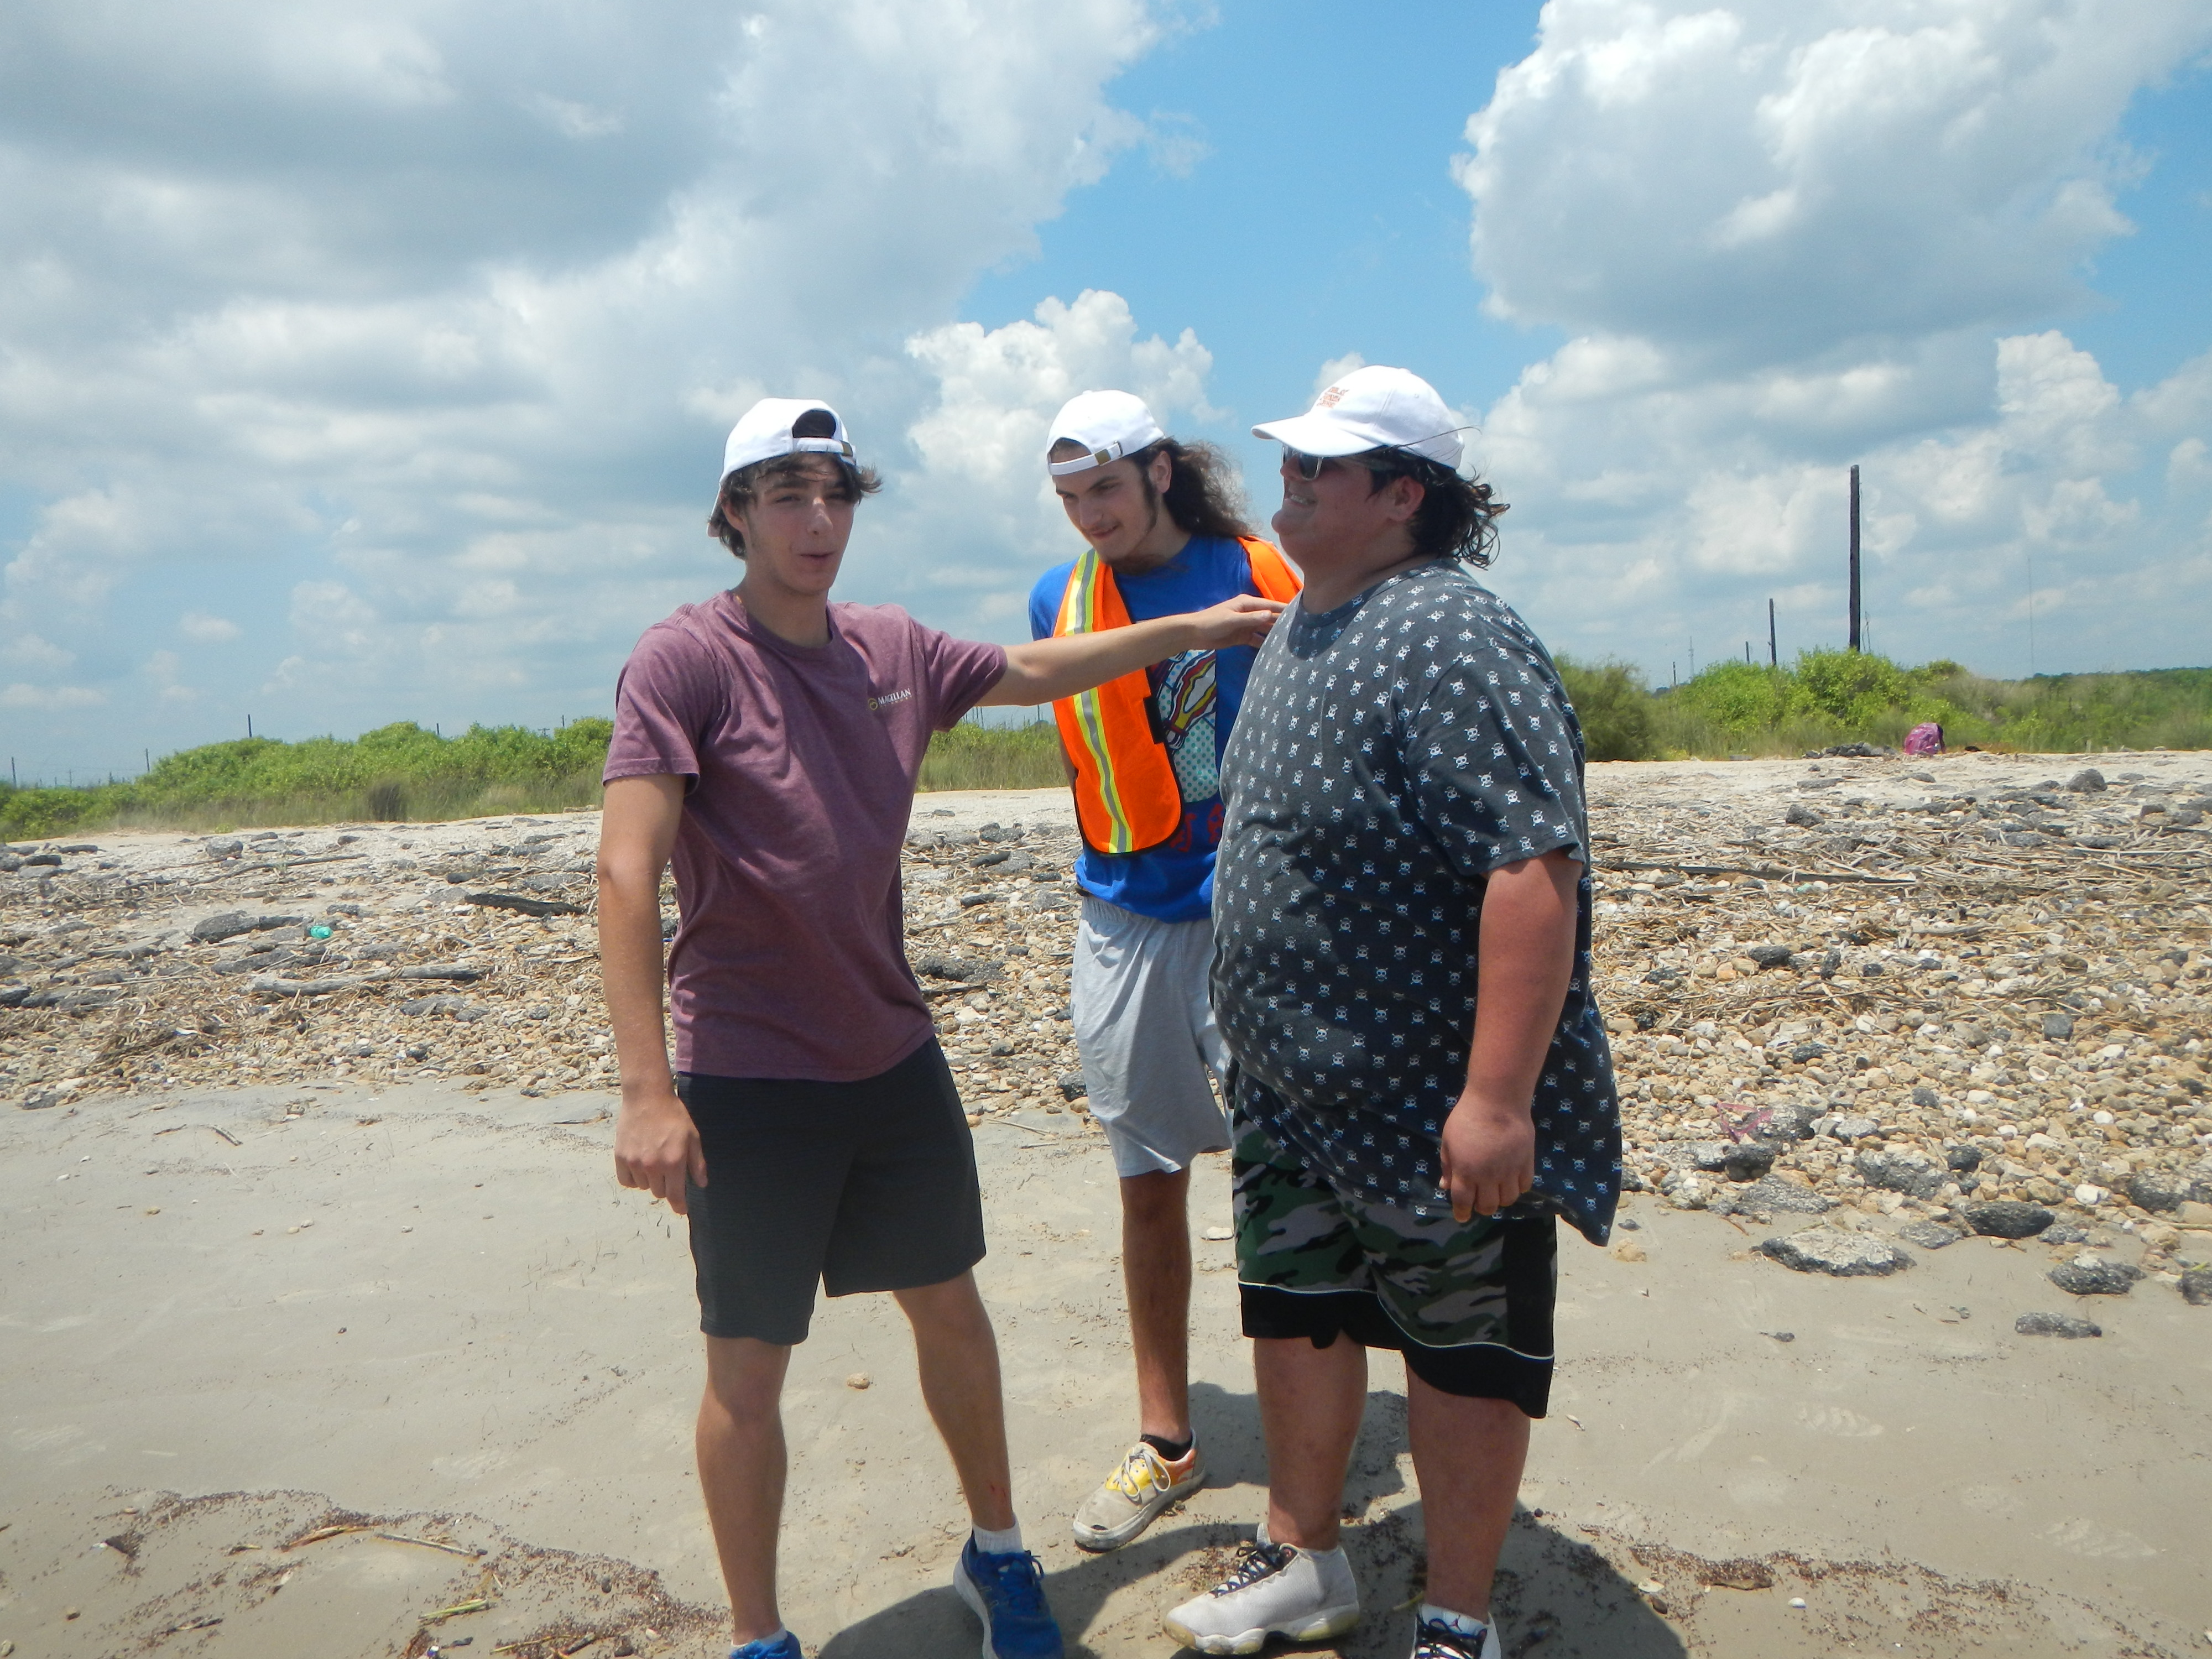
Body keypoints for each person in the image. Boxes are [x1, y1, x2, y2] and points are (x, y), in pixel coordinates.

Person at [597, 397, 1282, 1659]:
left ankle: (999, 1551)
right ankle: (757, 1632)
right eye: (787, 496)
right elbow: (625, 870)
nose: (817, 522)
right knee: (746, 1368)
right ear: (735, 513)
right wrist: (647, 1092)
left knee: (952, 1312)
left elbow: (1031, 672)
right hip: (746, 1072)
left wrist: (1193, 627)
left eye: (835, 495)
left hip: (891, 1055)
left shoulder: (888, 646)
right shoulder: (683, 660)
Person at [1160, 366, 1621, 1659]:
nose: (1291, 481)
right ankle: (1302, 1558)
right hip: (1292, 1093)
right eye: (1292, 460)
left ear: (1402, 495)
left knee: (1460, 1351)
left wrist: (1496, 1101)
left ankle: (1456, 1622)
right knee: (1294, 1312)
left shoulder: (1451, 633)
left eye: (1322, 466)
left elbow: (1531, 867)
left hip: (1427, 1101)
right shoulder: (1302, 619)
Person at [1026, 390, 1301, 1552]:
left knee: (1289, 1176)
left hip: (1259, 910)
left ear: (1159, 473)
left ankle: (1307, 1445)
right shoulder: (1058, 602)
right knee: (1146, 1175)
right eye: (1068, 497)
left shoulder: (1265, 571)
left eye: (1104, 487)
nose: (1089, 514)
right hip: (1125, 914)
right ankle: (1167, 1440)